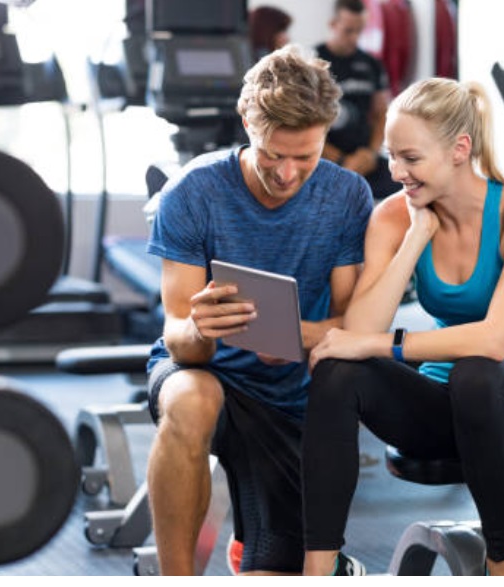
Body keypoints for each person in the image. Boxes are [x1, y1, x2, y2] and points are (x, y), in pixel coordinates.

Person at [300, 77, 504, 576]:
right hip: (442, 411)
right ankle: (318, 570)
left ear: (459, 149)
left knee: (475, 371)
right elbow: (358, 332)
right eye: (391, 157)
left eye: (411, 158)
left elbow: (495, 340)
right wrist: (414, 239)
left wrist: (383, 344)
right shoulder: (393, 216)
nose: (397, 171)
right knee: (338, 369)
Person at [144, 45, 374, 576]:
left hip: (291, 395)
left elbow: (353, 321)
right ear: (247, 120)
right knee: (192, 398)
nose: (289, 173)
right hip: (205, 373)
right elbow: (177, 333)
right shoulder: (194, 192)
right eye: (274, 153)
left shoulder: (346, 197)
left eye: (307, 156)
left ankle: (258, 547)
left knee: (273, 569)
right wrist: (202, 329)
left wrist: (296, 337)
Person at [315, 0, 400, 201]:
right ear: (333, 24)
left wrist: (370, 154)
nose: (354, 38)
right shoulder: (312, 62)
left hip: (363, 157)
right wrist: (340, 159)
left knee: (404, 184)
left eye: (359, 31)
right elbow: (302, 122)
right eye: (348, 31)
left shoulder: (372, 64)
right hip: (324, 157)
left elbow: (381, 114)